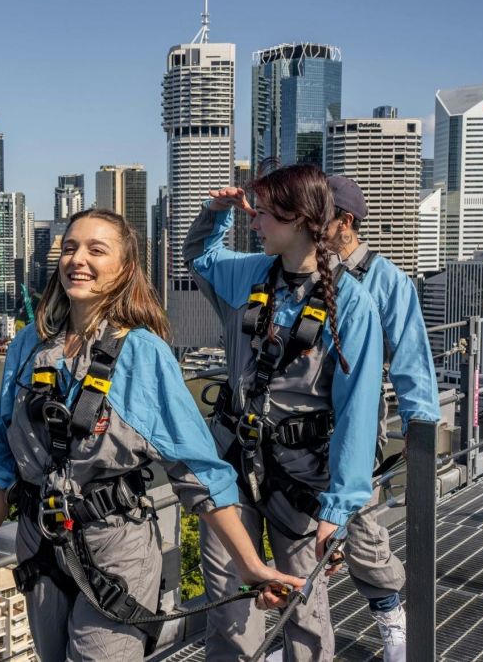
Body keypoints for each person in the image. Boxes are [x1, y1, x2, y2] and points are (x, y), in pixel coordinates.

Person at [0, 209, 303, 662]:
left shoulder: (142, 354)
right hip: (39, 542)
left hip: (115, 550)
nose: (77, 259)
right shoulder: (29, 345)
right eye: (69, 247)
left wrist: (250, 564)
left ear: (124, 268)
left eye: (96, 250)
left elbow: (198, 469)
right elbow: (4, 457)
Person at [185, 164, 384, 661]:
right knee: (230, 606)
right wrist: (214, 215)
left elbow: (357, 413)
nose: (256, 224)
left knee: (304, 609)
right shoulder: (252, 273)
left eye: (266, 215)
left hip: (300, 476)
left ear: (299, 219)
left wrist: (338, 510)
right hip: (232, 463)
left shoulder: (352, 305)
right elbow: (199, 257)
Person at [325, 175, 442, 662]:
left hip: (354, 419)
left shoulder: (385, 279)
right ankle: (305, 637)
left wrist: (422, 427)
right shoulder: (296, 268)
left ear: (344, 222)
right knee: (296, 530)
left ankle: (391, 613)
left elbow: (411, 354)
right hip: (291, 423)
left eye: (318, 214)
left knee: (362, 523)